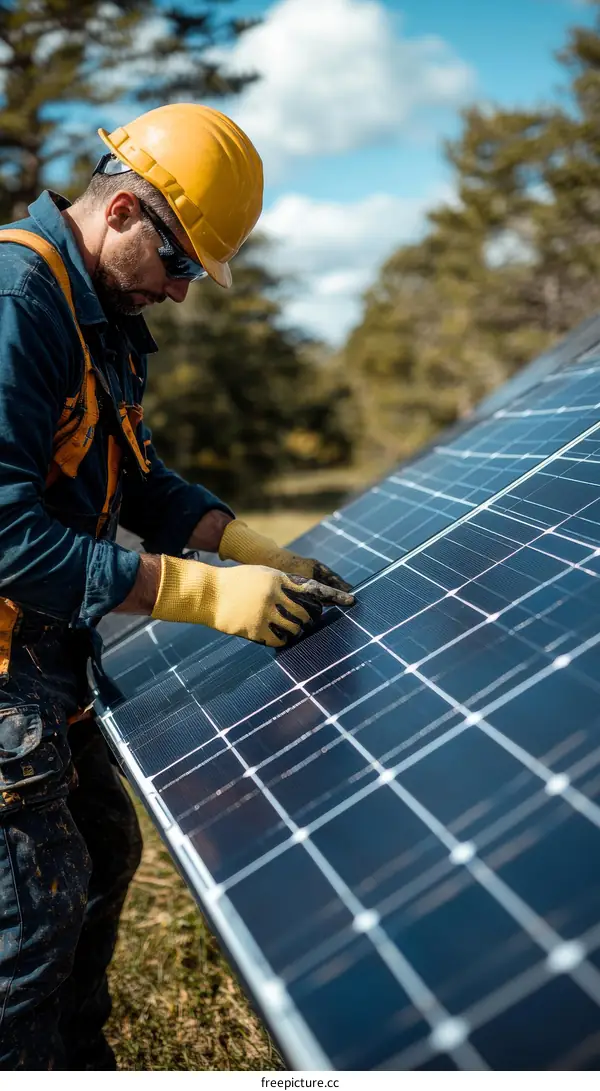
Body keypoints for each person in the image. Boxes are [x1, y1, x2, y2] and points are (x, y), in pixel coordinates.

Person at [0, 103, 354, 1071]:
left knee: (104, 854)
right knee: (25, 933)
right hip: (0, 662)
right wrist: (203, 595)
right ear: (120, 212)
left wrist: (250, 546)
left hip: (48, 649)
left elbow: (139, 479)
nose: (184, 292)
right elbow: (4, 534)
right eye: (181, 262)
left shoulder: (100, 315)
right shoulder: (16, 298)